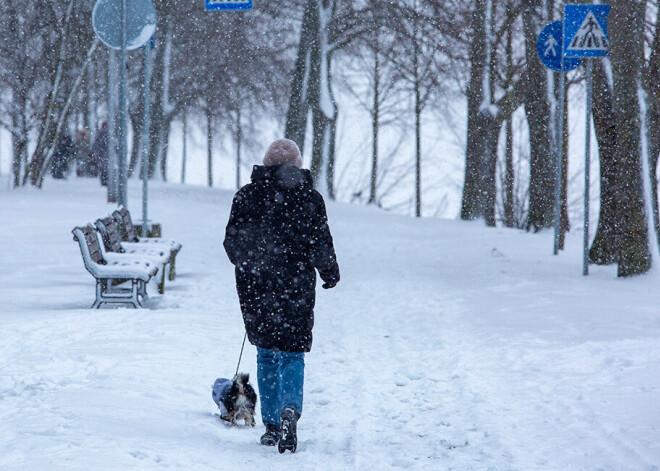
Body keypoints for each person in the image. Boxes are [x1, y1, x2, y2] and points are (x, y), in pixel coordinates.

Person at [223, 138, 340, 453]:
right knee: (292, 354)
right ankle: (290, 409)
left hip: (256, 289)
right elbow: (321, 243)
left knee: (266, 353)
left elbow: (232, 242)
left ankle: (272, 424)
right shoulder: (310, 199)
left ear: (266, 164)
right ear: (298, 167)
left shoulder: (247, 197)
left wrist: (252, 263)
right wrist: (329, 272)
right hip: (296, 288)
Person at [90, 121, 109, 185]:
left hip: (101, 154)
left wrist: (92, 151)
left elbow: (95, 143)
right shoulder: (110, 134)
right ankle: (106, 180)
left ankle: (103, 180)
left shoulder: (99, 134)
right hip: (107, 154)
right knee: (106, 168)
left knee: (102, 168)